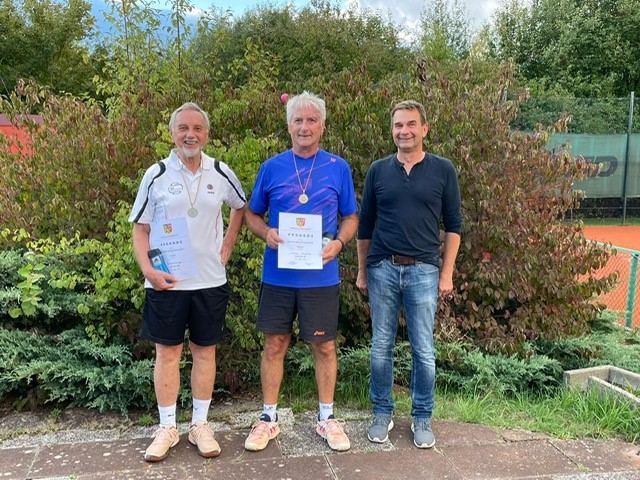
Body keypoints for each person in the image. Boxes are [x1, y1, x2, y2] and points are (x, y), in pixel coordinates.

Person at [129, 102, 247, 462]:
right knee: (167, 353)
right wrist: (148, 269)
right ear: (172, 133)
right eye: (183, 128)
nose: (190, 134)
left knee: (204, 352)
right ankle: (167, 427)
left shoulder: (221, 172)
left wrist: (228, 242)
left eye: (197, 128)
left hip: (210, 280)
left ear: (206, 134)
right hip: (167, 281)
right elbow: (140, 227)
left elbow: (240, 206)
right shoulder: (157, 173)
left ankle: (199, 425)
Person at [243, 91, 359, 452]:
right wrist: (266, 233)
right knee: (274, 344)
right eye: (298, 120)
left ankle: (326, 418)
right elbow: (251, 214)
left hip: (321, 276)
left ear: (322, 125)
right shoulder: (271, 167)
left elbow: (352, 217)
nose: (304, 127)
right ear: (288, 124)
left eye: (311, 120)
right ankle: (268, 418)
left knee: (324, 346)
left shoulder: (338, 167)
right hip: (278, 275)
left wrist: (338, 244)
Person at [356, 100, 462, 449]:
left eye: (411, 124)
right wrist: (362, 270)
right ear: (392, 131)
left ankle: (421, 418)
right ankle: (381, 413)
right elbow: (365, 226)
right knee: (381, 346)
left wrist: (446, 274)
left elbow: (454, 226)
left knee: (423, 349)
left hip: (424, 272)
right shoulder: (378, 170)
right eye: (399, 125)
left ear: (424, 128)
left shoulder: (443, 170)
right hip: (382, 269)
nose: (405, 131)